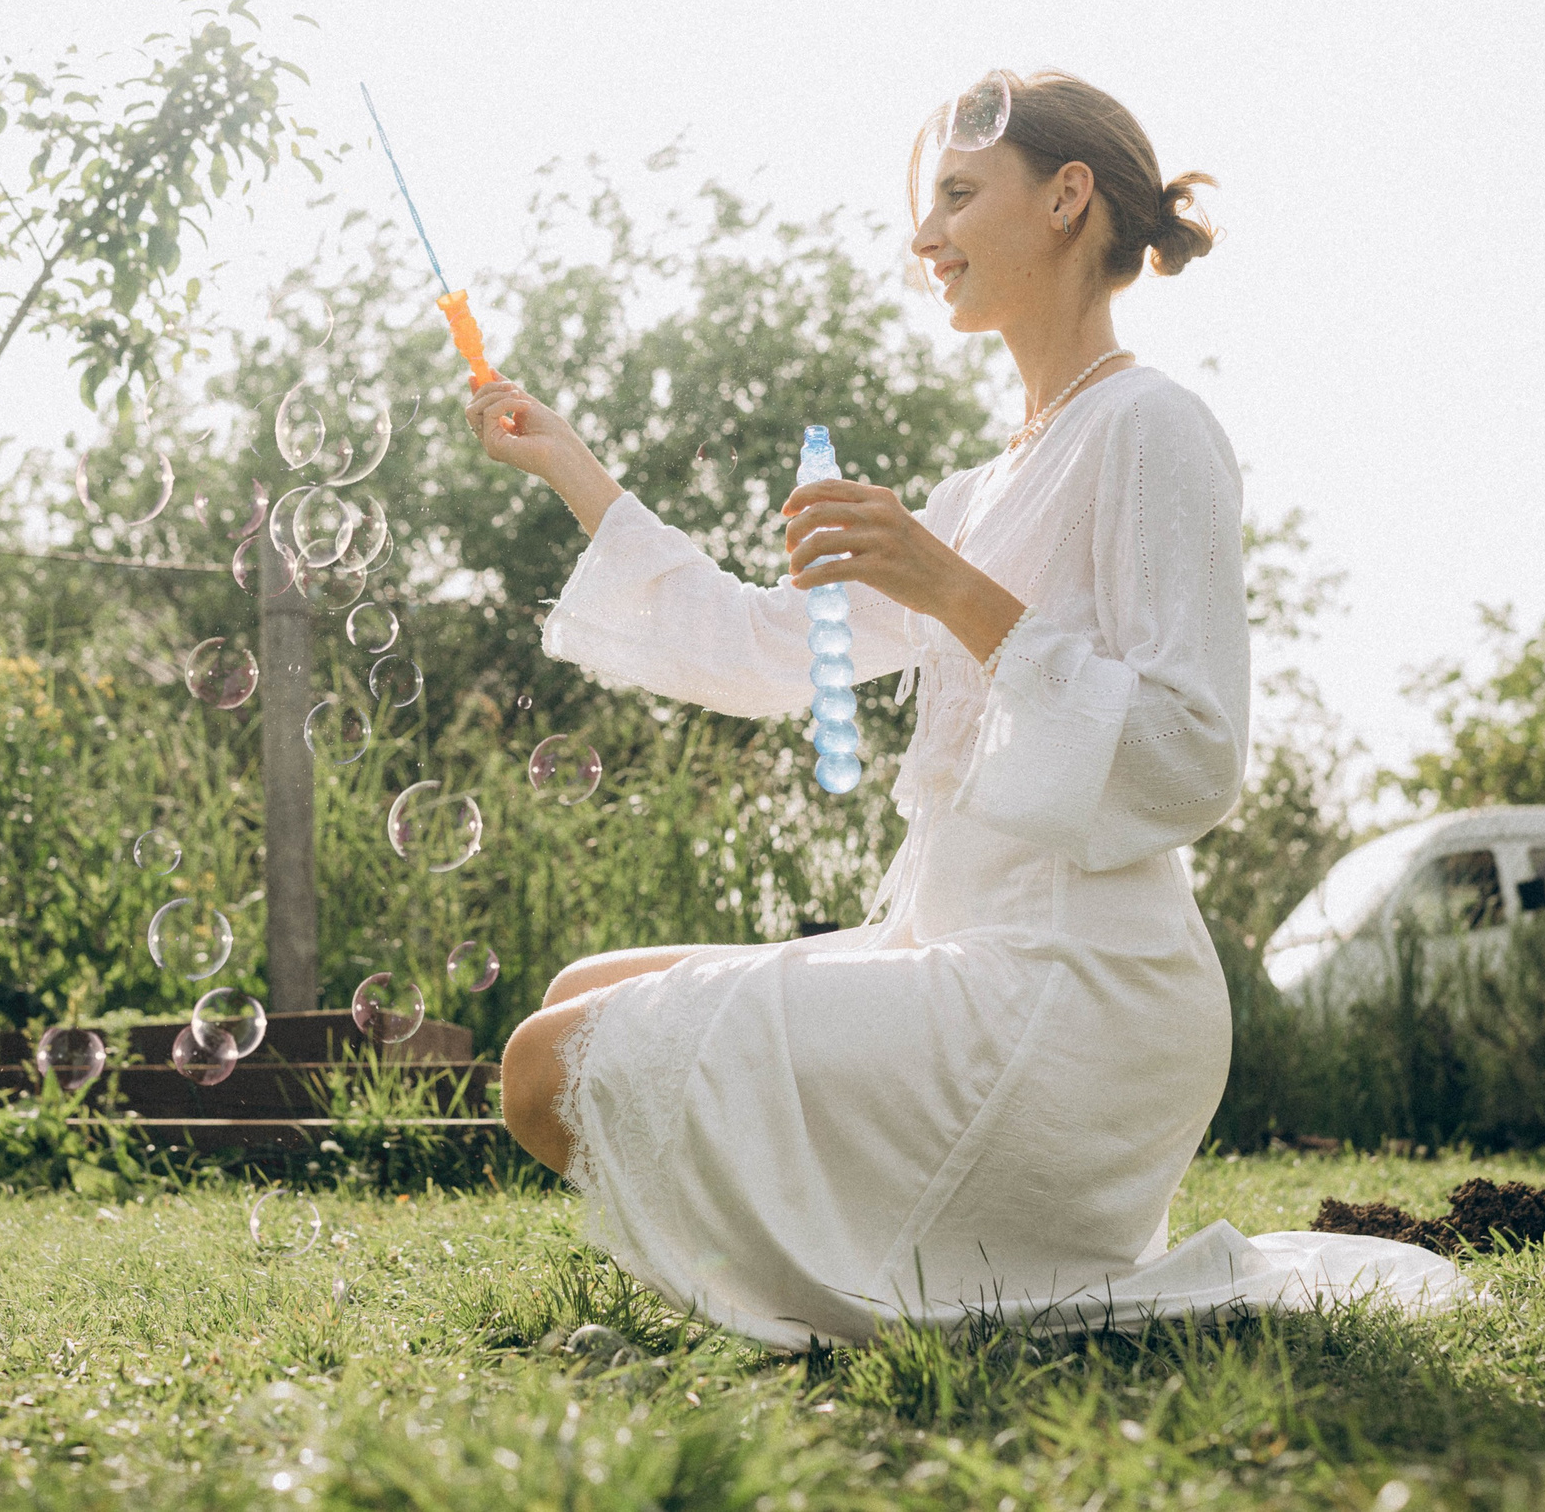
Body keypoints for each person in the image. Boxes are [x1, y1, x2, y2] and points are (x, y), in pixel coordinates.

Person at [464, 71, 1461, 1345]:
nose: (921, 236)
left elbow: (1194, 754)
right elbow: (772, 649)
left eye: (954, 194)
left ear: (1065, 198)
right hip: (956, 949)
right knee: (575, 996)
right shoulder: (978, 487)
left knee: (554, 1064)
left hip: (1081, 990)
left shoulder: (1152, 426)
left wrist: (948, 587)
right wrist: (573, 467)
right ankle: (818, 1285)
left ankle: (825, 1301)